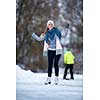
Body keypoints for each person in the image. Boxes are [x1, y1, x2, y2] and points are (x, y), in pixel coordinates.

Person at [32, 20, 62, 85]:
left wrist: (57, 31)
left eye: (51, 24)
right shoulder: (46, 34)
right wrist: (33, 34)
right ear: (47, 26)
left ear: (53, 25)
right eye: (49, 24)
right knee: (50, 65)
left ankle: (56, 78)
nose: (50, 25)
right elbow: (40, 39)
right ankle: (49, 79)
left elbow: (60, 36)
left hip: (57, 51)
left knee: (56, 64)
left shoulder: (56, 32)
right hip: (50, 51)